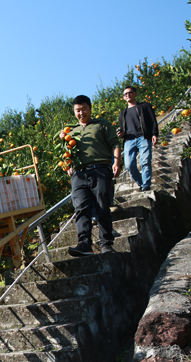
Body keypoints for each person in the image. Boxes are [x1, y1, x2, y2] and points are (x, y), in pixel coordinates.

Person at [60, 95, 122, 256]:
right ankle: (84, 244)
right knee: (81, 208)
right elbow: (67, 153)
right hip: (79, 174)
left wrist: (116, 162)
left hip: (100, 169)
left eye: (84, 109)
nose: (81, 113)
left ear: (90, 108)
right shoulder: (70, 131)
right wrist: (67, 164)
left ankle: (106, 244)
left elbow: (115, 143)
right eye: (77, 110)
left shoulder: (102, 124)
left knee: (102, 206)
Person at [117, 85, 158, 192]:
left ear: (135, 93)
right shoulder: (122, 113)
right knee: (129, 165)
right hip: (129, 140)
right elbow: (123, 129)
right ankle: (141, 183)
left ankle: (146, 185)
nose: (128, 95)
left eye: (130, 92)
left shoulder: (145, 106)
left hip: (143, 137)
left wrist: (154, 134)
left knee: (145, 162)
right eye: (125, 94)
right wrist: (121, 134)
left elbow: (153, 121)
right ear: (123, 97)